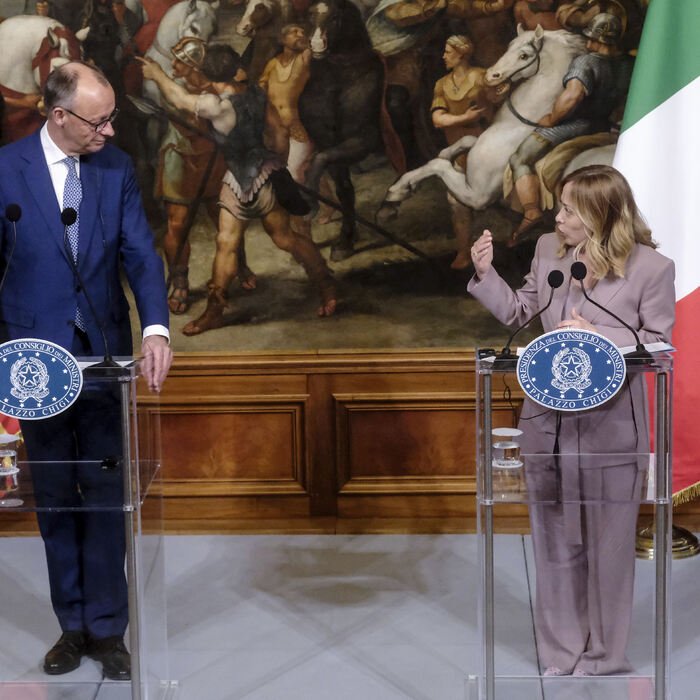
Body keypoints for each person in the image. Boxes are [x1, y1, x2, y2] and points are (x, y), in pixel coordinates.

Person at [0, 61, 172, 680]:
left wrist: (155, 329)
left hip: (105, 359)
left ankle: (107, 628)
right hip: (33, 362)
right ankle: (70, 626)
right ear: (58, 116)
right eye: (98, 122)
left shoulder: (115, 168)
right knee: (53, 496)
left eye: (111, 119)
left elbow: (140, 253)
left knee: (105, 495)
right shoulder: (5, 169)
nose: (109, 131)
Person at [468, 165, 675, 676]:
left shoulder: (652, 268)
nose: (556, 218)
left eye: (568, 210)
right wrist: (486, 275)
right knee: (555, 544)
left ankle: (604, 657)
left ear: (601, 216)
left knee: (608, 550)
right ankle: (561, 654)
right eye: (559, 207)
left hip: (612, 428)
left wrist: (602, 336)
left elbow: (658, 342)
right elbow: (521, 312)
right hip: (547, 424)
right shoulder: (548, 251)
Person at [139, 45, 337, 336]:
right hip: (260, 173)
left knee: (244, 241)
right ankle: (323, 285)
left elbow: (179, 97)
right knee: (265, 239)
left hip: (244, 179)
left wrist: (157, 74)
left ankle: (218, 310)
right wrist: (278, 164)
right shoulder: (255, 93)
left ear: (207, 73)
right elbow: (279, 132)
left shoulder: (215, 105)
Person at [508, 12, 633, 242]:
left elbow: (572, 96)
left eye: (590, 38)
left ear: (595, 38)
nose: (588, 42)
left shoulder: (586, 62)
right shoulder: (630, 63)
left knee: (519, 158)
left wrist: (551, 118)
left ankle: (531, 212)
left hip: (576, 126)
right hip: (606, 126)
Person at [430, 35, 494, 269]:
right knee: (456, 203)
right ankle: (464, 252)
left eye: (448, 52)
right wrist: (464, 118)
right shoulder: (441, 84)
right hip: (459, 154)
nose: (444, 56)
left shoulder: (481, 76)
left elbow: (494, 106)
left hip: (485, 149)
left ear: (461, 54)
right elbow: (437, 119)